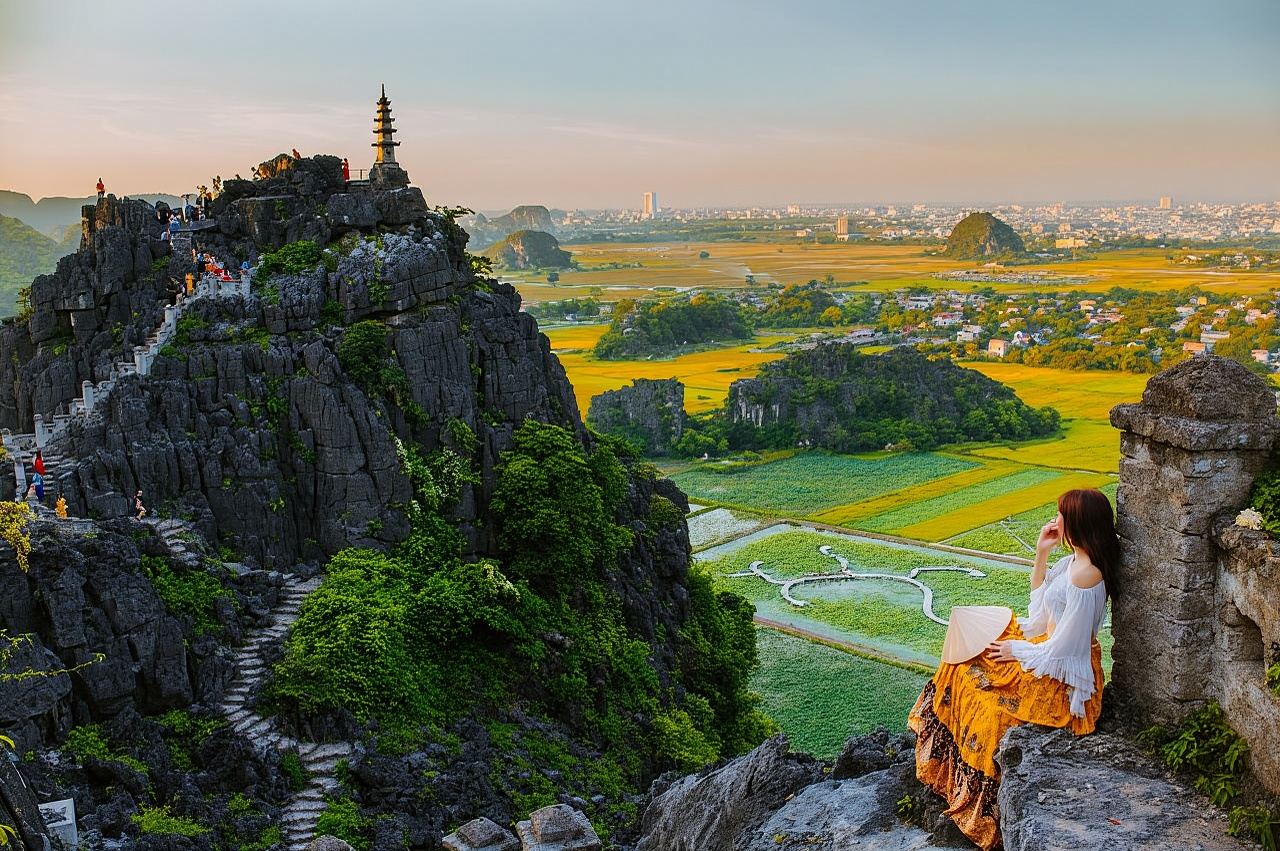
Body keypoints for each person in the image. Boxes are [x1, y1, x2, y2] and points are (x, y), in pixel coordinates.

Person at [908, 488, 1117, 850]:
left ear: (1077, 523)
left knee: (988, 705)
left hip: (1061, 676)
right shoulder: (1071, 564)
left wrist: (1015, 650)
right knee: (963, 655)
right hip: (1043, 652)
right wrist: (1042, 552)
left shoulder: (1087, 576)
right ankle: (948, 775)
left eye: (1060, 515)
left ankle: (983, 806)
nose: (1056, 521)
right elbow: (1039, 616)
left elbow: (1065, 649)